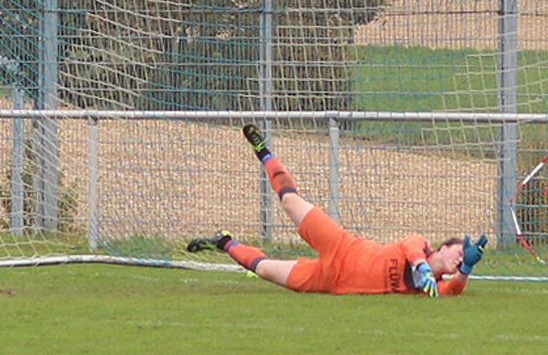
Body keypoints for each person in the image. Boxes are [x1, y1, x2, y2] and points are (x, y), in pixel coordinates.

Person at [187, 124, 486, 297]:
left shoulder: (431, 289)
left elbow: (453, 291)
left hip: (330, 281)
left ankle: (223, 241)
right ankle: (264, 151)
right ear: (443, 247)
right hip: (341, 245)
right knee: (289, 201)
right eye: (459, 253)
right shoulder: (420, 246)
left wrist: (466, 269)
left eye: (462, 258)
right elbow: (411, 249)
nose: (459, 259)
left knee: (264, 269)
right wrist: (423, 268)